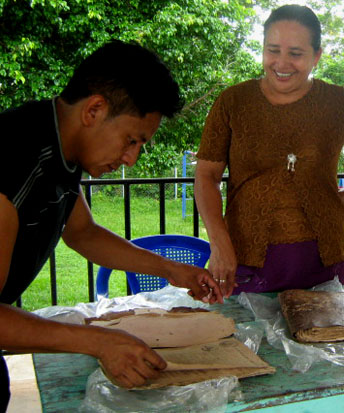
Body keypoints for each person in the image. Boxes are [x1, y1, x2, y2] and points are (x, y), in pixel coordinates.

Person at [0, 40, 224, 408]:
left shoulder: (59, 146)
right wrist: (100, 342)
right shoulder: (15, 160)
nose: (131, 159)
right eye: (131, 140)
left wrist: (172, 270)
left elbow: (83, 233)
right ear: (95, 109)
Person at [194, 4, 344, 296]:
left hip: (323, 257)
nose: (282, 62)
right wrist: (219, 243)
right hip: (244, 255)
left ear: (316, 55)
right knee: (246, 339)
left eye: (296, 53)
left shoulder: (335, 102)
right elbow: (206, 176)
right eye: (273, 50)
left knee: (318, 339)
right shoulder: (234, 102)